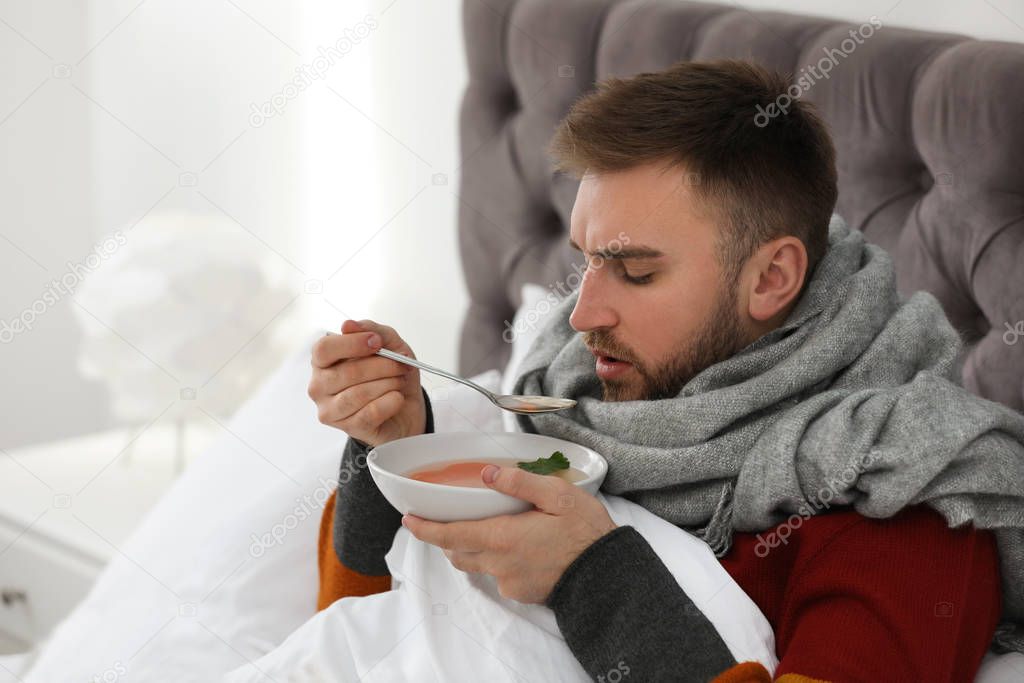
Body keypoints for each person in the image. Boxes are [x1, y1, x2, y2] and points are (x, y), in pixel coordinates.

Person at [307, 60, 1013, 681]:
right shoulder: (564, 397)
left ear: (771, 277)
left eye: (635, 272)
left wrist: (592, 579)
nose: (582, 316)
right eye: (586, 261)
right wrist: (391, 450)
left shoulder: (900, 501)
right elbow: (360, 635)